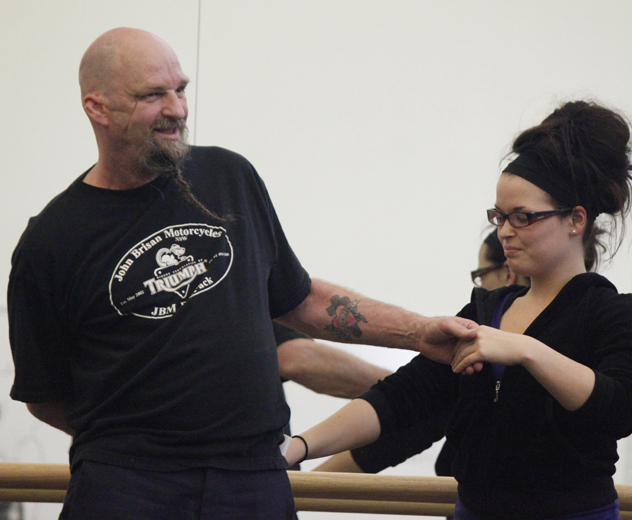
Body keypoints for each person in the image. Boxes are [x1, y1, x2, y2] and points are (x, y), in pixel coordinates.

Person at [7, 28, 476, 520]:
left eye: (180, 89)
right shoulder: (52, 240)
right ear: (97, 107)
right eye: (153, 95)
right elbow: (45, 397)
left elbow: (302, 301)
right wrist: (140, 445)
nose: (177, 109)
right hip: (128, 483)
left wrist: (421, 333)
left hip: (253, 476)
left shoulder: (228, 177)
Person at [286, 100, 632, 520]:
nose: (505, 232)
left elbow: (621, 407)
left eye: (522, 218)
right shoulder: (486, 310)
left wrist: (526, 350)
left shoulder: (612, 313)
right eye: (499, 217)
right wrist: (300, 445)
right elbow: (403, 398)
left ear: (575, 220)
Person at [315, 229, 528, 475]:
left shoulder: (478, 351)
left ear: (509, 273)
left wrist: (298, 475)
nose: (480, 287)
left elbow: (405, 429)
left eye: (481, 275)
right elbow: (406, 410)